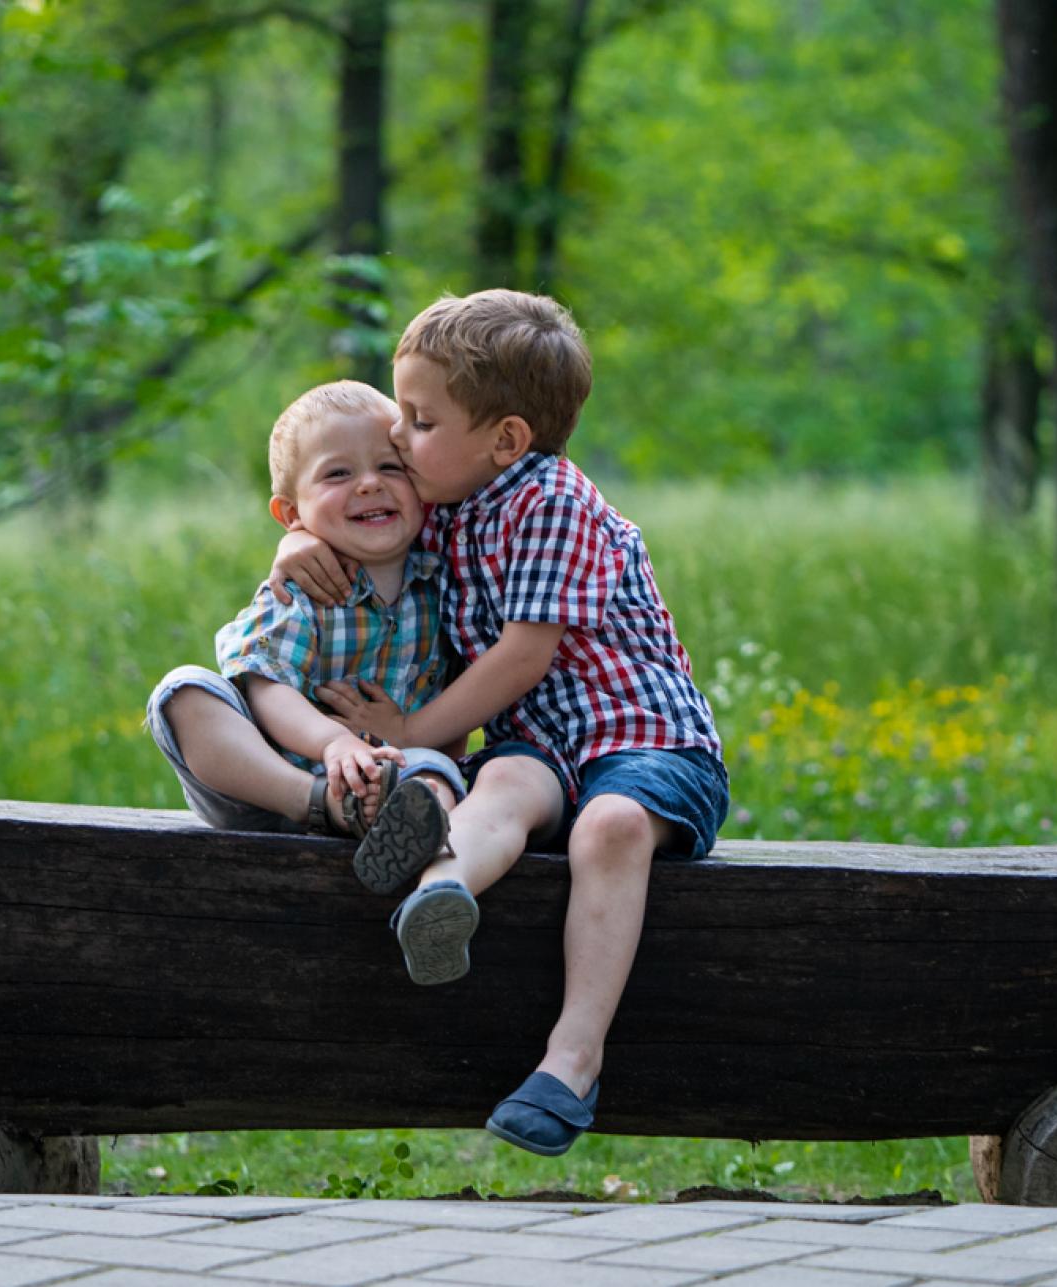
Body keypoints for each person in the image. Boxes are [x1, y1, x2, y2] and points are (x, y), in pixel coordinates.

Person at [269, 290, 728, 1156]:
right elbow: (359, 531)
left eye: (418, 419)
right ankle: (442, 888)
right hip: (545, 749)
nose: (397, 440)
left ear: (505, 441)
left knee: (612, 824)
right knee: (504, 782)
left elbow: (523, 656)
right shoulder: (446, 498)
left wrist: (408, 730)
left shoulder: (550, 499)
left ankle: (570, 1061)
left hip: (645, 741)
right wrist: (296, 546)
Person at [144, 380, 466, 891]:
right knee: (182, 692)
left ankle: (412, 833)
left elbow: (458, 697)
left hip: (392, 780)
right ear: (291, 514)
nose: (369, 484)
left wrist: (430, 756)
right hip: (266, 785)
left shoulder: (448, 583)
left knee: (435, 771)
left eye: (391, 467)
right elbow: (265, 686)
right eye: (339, 473)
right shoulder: (301, 590)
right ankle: (322, 803)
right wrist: (333, 744)